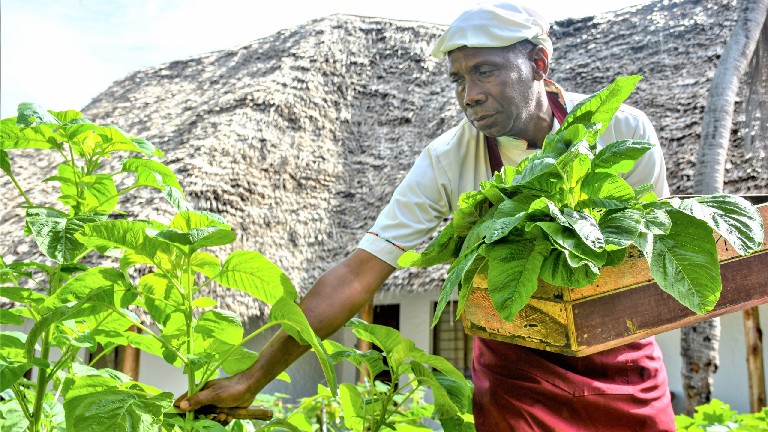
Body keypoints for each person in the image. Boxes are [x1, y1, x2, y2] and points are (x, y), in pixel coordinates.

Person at [176, 2, 675, 430]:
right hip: (517, 376)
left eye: (484, 71)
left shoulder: (620, 130)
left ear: (539, 63)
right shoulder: (448, 159)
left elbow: (649, 252)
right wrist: (250, 379)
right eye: (458, 79)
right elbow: (358, 273)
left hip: (621, 362)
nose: (469, 95)